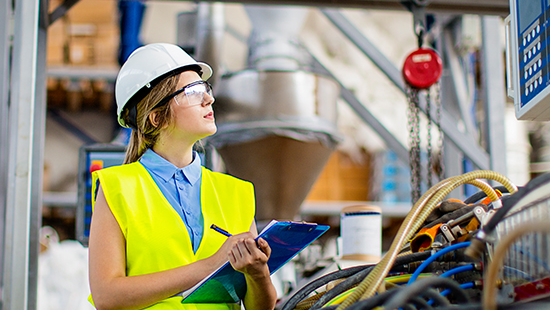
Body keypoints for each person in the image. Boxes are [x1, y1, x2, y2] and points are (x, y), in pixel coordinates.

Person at [88, 43, 277, 310]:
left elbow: (260, 307)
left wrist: (258, 273)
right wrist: (211, 265)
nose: (208, 99)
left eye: (206, 89)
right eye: (193, 91)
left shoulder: (236, 192)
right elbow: (107, 296)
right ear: (157, 116)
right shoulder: (117, 188)